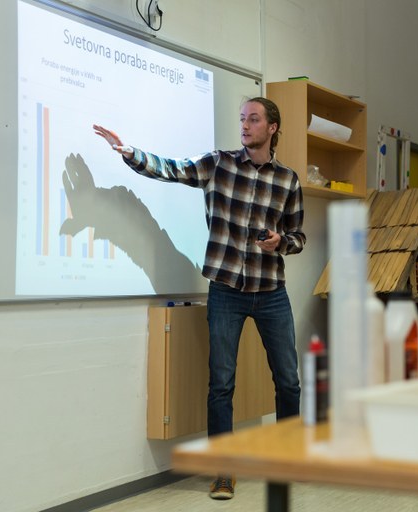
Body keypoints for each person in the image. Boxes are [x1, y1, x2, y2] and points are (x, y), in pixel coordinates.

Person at [94, 97, 305, 501]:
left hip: (271, 292)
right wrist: (130, 152)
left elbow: (298, 236)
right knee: (221, 383)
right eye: (242, 119)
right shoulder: (218, 164)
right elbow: (172, 168)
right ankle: (223, 472)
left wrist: (281, 242)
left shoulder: (288, 180)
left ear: (272, 128)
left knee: (289, 381)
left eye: (254, 119)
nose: (245, 125)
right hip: (226, 289)